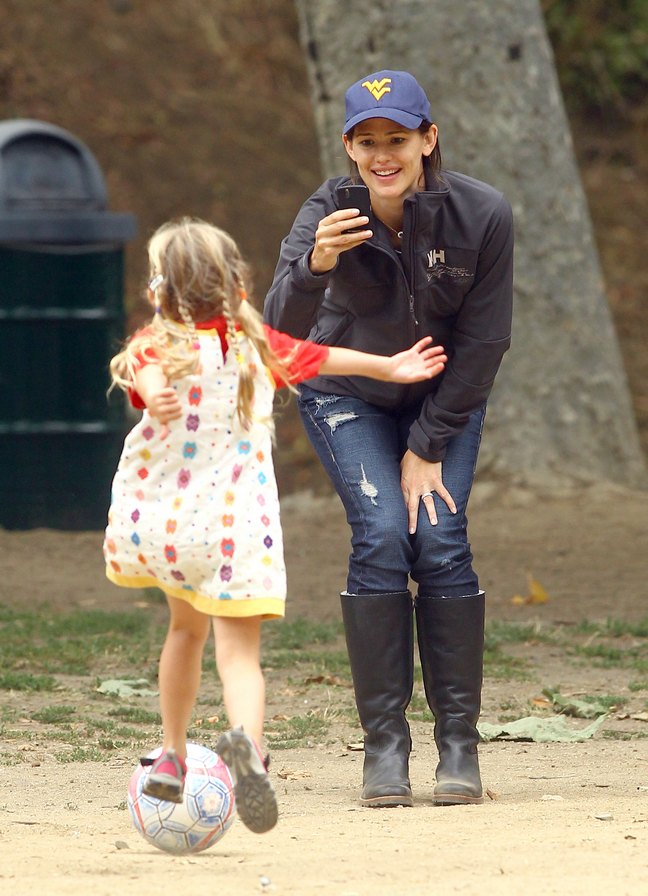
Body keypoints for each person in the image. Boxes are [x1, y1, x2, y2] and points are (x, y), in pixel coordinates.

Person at [103, 217, 447, 833]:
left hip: (177, 532)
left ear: (160, 292)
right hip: (237, 530)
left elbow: (147, 371)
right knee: (240, 657)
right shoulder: (255, 345)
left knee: (184, 634)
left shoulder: (159, 347)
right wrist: (390, 368)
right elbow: (324, 356)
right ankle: (248, 751)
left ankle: (175, 755)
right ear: (235, 281)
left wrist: (155, 394)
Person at [264, 70, 514, 808]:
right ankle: (385, 749)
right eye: (366, 141)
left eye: (397, 140)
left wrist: (428, 443)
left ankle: (459, 746)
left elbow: (486, 342)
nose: (383, 155)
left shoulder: (482, 215)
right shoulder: (328, 213)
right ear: (348, 147)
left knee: (437, 537)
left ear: (427, 141)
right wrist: (316, 265)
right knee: (381, 531)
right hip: (348, 396)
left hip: (443, 400)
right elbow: (278, 332)